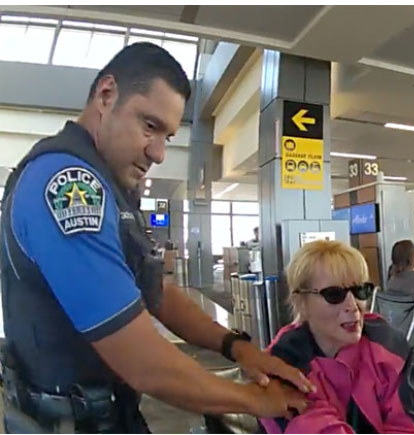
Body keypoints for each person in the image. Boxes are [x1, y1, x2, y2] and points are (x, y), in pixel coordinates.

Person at [0, 43, 311, 433]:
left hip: (111, 412)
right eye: (150, 126)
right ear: (107, 95)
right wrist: (258, 400)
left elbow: (155, 293)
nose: (160, 152)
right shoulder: (69, 188)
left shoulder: (113, 187)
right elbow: (143, 362)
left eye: (167, 134)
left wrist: (237, 347)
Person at [260, 240, 414, 433]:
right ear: (302, 302)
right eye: (334, 294)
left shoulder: (387, 347)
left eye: (359, 290)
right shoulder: (283, 363)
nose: (353, 306)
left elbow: (413, 426)